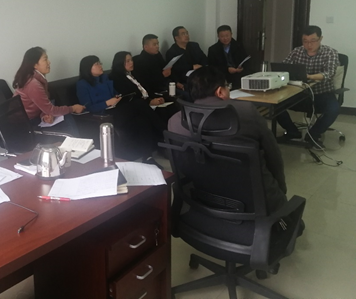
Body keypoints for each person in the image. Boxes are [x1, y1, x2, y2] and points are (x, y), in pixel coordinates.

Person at [167, 66, 287, 212]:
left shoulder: (175, 121)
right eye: (227, 86)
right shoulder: (246, 112)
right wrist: (281, 189)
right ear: (220, 91)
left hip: (201, 201)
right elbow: (273, 155)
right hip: (253, 204)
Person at [76, 55, 165, 164]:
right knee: (139, 103)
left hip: (117, 109)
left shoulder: (105, 79)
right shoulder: (82, 85)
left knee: (142, 120)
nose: (100, 66)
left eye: (100, 63)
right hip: (104, 114)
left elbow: (115, 94)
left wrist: (118, 97)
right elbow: (88, 107)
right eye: (97, 64)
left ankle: (147, 157)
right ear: (88, 68)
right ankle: (164, 132)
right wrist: (107, 103)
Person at [276, 25, 340, 147]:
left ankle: (313, 134)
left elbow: (329, 73)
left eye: (313, 41)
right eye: (305, 41)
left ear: (320, 39)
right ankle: (292, 131)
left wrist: (309, 76)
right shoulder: (297, 51)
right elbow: (283, 67)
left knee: (334, 109)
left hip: (322, 94)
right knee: (275, 105)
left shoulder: (330, 52)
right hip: (300, 93)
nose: (309, 45)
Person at [13, 47, 84, 136]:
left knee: (65, 117)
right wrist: (73, 108)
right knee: (67, 117)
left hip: (34, 118)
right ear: (35, 65)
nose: (49, 62)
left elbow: (42, 105)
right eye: (45, 59)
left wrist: (44, 115)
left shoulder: (38, 79)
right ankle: (76, 143)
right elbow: (51, 110)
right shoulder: (33, 84)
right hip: (26, 124)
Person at [110, 51, 180, 124]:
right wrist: (149, 102)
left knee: (172, 104)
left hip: (148, 99)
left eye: (131, 60)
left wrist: (156, 98)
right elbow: (131, 95)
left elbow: (146, 88)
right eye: (128, 61)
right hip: (138, 104)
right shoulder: (116, 78)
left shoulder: (134, 73)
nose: (131, 63)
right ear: (120, 63)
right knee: (162, 112)